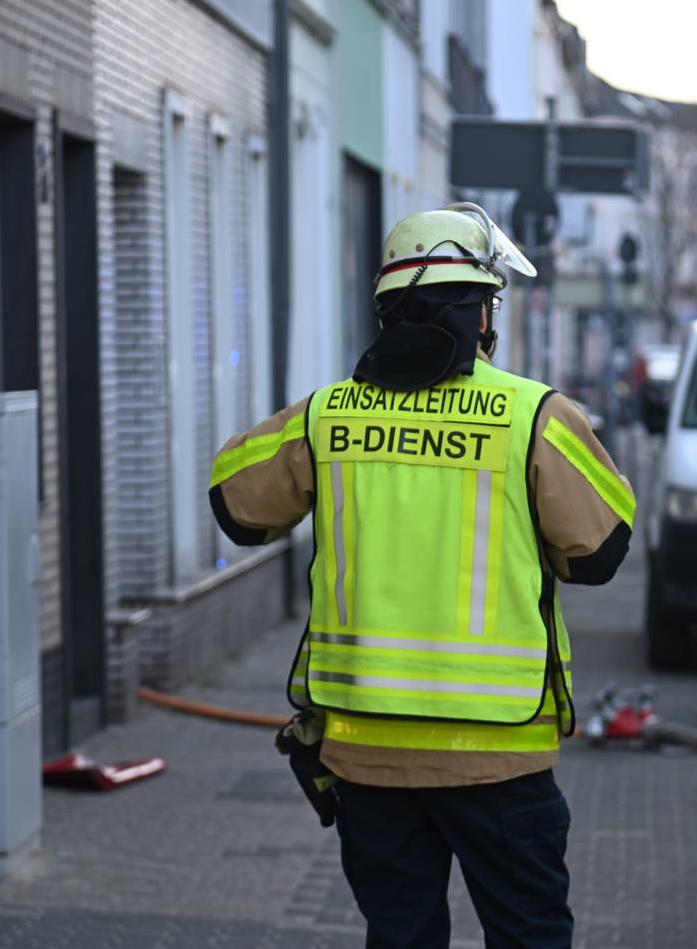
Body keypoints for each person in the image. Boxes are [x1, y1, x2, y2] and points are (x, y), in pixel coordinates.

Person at [209, 203, 635, 948]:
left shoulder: (325, 419)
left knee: (399, 936)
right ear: (477, 313)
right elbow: (601, 555)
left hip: (367, 756)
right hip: (499, 757)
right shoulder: (532, 417)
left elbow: (236, 509)